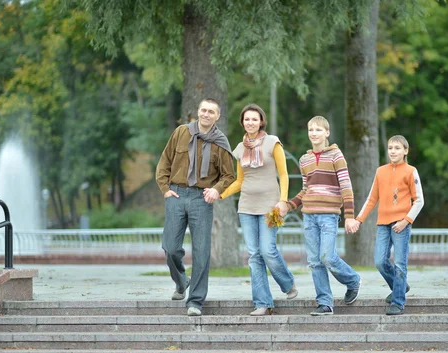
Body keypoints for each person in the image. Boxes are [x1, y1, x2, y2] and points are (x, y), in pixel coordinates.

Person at [155, 98, 236, 317]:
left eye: (211, 111)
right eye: (203, 110)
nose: (206, 114)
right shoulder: (181, 133)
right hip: (177, 194)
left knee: (201, 251)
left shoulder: (220, 142)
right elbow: (164, 162)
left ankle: (196, 301)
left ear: (217, 116)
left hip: (202, 198)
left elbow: (229, 175)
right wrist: (165, 189)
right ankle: (181, 281)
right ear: (198, 112)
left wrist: (216, 190)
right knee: (170, 247)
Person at [216, 104, 297, 316]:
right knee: (253, 255)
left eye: (254, 119)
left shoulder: (273, 142)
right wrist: (220, 194)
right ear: (242, 122)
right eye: (246, 119)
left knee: (267, 250)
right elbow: (240, 181)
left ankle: (288, 284)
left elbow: (284, 175)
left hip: (271, 207)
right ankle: (262, 302)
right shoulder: (240, 148)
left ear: (261, 121)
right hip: (246, 207)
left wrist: (283, 201)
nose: (250, 122)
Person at [278, 116, 361, 316]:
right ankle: (325, 303)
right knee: (314, 261)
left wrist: (350, 216)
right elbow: (306, 190)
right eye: (311, 130)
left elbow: (346, 187)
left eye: (318, 130)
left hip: (329, 216)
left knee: (328, 257)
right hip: (309, 217)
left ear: (327, 132)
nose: (313, 133)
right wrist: (289, 206)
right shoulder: (304, 160)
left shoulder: (336, 156)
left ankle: (352, 280)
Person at [351, 135, 424, 316]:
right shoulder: (380, 171)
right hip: (383, 223)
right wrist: (358, 219)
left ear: (405, 151)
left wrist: (406, 221)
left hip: (402, 224)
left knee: (400, 264)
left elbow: (419, 201)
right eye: (390, 148)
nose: (393, 151)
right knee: (379, 261)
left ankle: (398, 302)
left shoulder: (410, 171)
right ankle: (400, 287)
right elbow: (371, 199)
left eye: (397, 148)